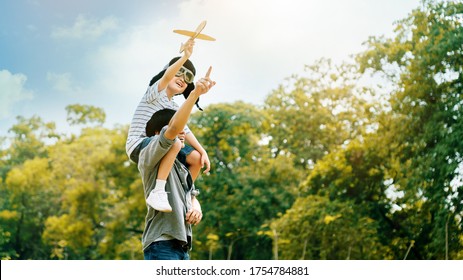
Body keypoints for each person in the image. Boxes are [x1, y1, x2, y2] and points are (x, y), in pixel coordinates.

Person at [126, 39, 210, 212]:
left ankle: (187, 196)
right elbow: (166, 77)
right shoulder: (154, 93)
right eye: (179, 72)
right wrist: (185, 56)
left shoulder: (174, 108)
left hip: (161, 144)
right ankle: (158, 191)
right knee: (174, 140)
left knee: (196, 160)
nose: (182, 79)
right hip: (139, 145)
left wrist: (203, 152)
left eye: (188, 78)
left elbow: (185, 131)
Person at [139, 70, 215, 260]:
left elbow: (191, 193)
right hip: (161, 243)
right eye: (176, 132)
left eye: (183, 133)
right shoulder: (149, 158)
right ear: (157, 134)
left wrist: (196, 207)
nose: (181, 135)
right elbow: (172, 130)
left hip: (182, 246)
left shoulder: (180, 169)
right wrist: (194, 94)